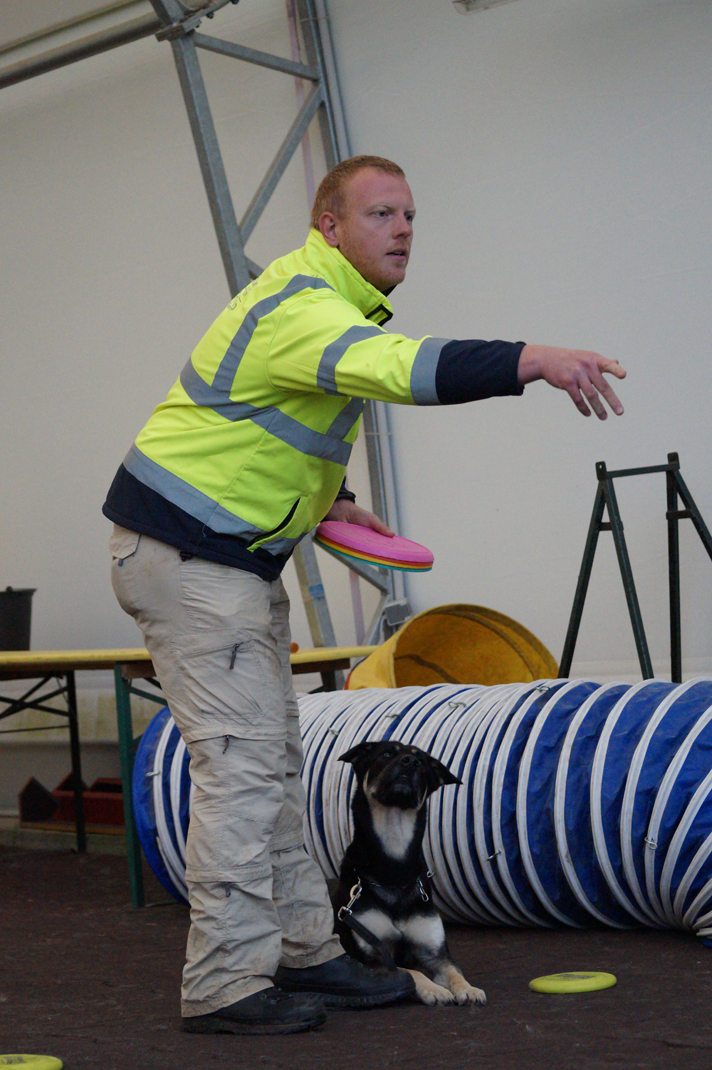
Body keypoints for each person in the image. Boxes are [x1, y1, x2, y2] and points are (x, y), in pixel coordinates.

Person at [104, 155, 626, 1035]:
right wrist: (530, 359)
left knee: (274, 764)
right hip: (189, 555)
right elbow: (394, 369)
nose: (404, 230)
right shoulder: (304, 304)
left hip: (230, 558)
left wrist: (335, 499)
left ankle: (307, 952)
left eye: (411, 215)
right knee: (240, 774)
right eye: (382, 214)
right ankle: (224, 985)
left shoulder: (326, 305)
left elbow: (272, 420)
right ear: (329, 226)